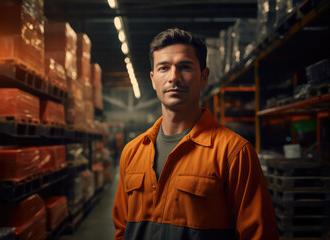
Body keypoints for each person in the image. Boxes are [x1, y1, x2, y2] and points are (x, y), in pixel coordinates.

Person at [113, 28, 279, 240]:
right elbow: (122, 230)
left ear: (203, 76)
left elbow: (259, 234)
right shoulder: (132, 152)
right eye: (164, 68)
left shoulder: (234, 153)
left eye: (185, 67)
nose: (174, 77)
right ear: (153, 80)